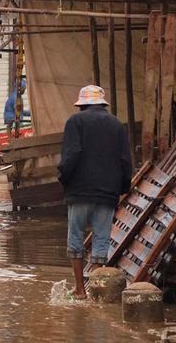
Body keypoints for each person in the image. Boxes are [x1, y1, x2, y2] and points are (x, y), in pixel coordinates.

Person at [59, 85, 132, 299]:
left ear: (82, 105)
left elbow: (71, 155)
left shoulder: (75, 122)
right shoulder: (117, 125)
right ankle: (96, 291)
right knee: (101, 240)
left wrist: (63, 178)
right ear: (102, 104)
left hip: (80, 190)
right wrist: (122, 188)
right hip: (107, 192)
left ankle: (80, 290)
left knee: (75, 238)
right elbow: (125, 161)